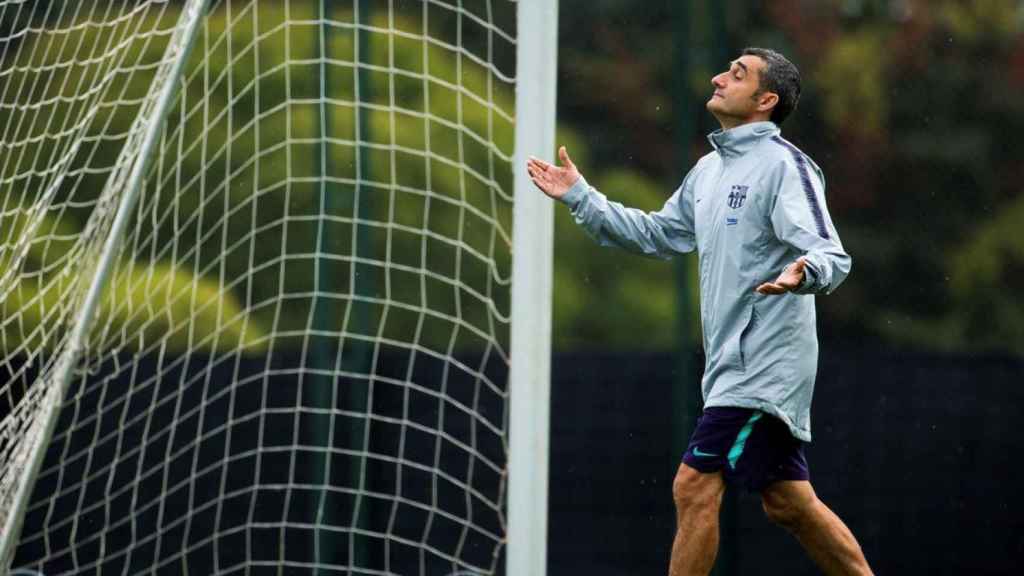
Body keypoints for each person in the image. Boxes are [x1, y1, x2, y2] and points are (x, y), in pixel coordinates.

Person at [526, 47, 874, 575]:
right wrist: (581, 196)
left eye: (737, 74)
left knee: (693, 486)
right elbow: (660, 235)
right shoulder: (709, 170)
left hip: (764, 365)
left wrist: (803, 272)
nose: (717, 77)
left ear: (766, 101)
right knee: (788, 502)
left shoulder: (785, 165)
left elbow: (831, 253)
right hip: (729, 367)